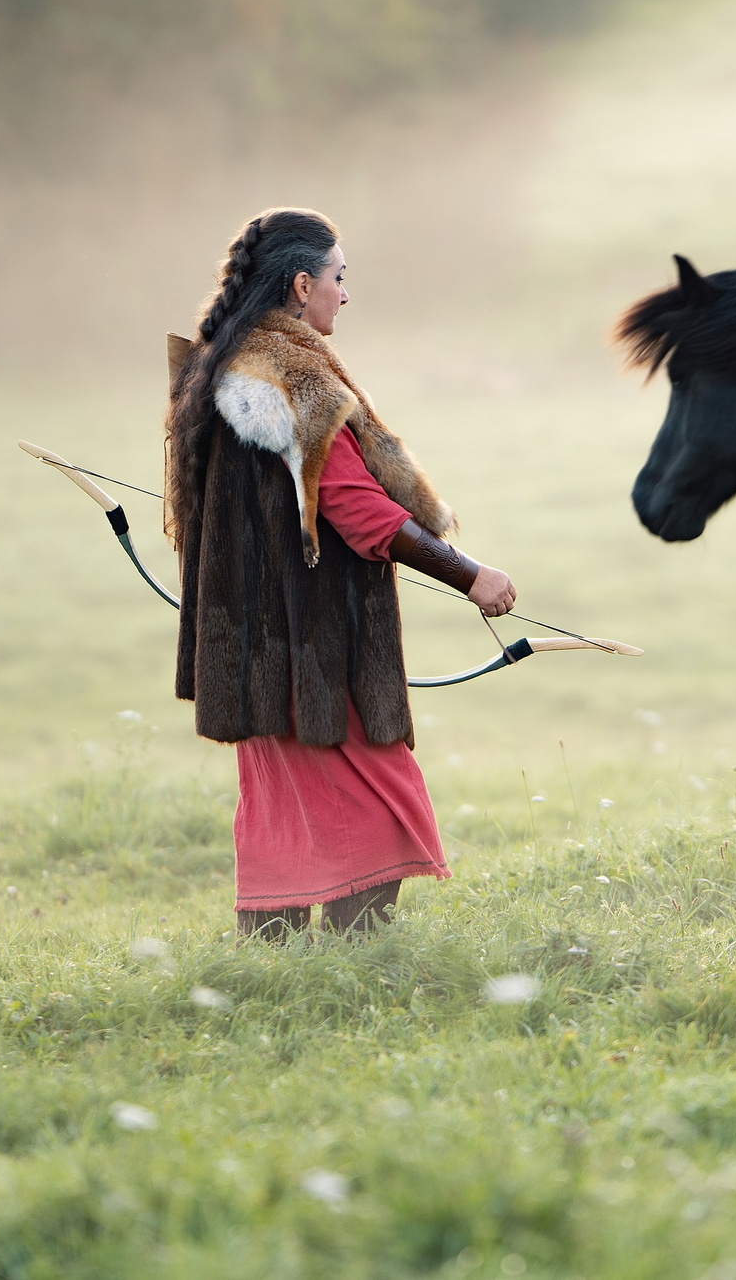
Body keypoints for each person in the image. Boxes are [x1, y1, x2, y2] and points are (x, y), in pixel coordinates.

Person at [164, 208, 516, 937]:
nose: (344, 294)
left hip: (253, 648)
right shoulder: (296, 381)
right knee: (383, 803)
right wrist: (471, 574)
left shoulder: (218, 368)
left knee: (282, 805)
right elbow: (359, 512)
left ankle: (281, 968)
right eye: (338, 278)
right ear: (300, 284)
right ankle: (356, 960)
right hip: (310, 650)